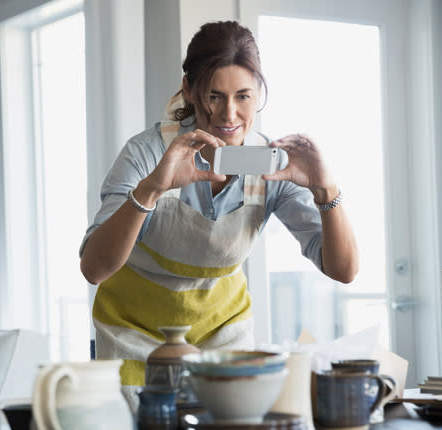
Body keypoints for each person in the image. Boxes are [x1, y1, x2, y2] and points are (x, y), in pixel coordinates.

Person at [79, 20, 358, 388]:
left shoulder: (273, 165)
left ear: (257, 94)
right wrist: (151, 189)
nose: (229, 114)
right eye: (214, 96)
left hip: (223, 339)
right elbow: (94, 269)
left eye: (242, 96)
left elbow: (343, 270)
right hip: (137, 340)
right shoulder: (147, 154)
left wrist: (326, 189)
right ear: (189, 91)